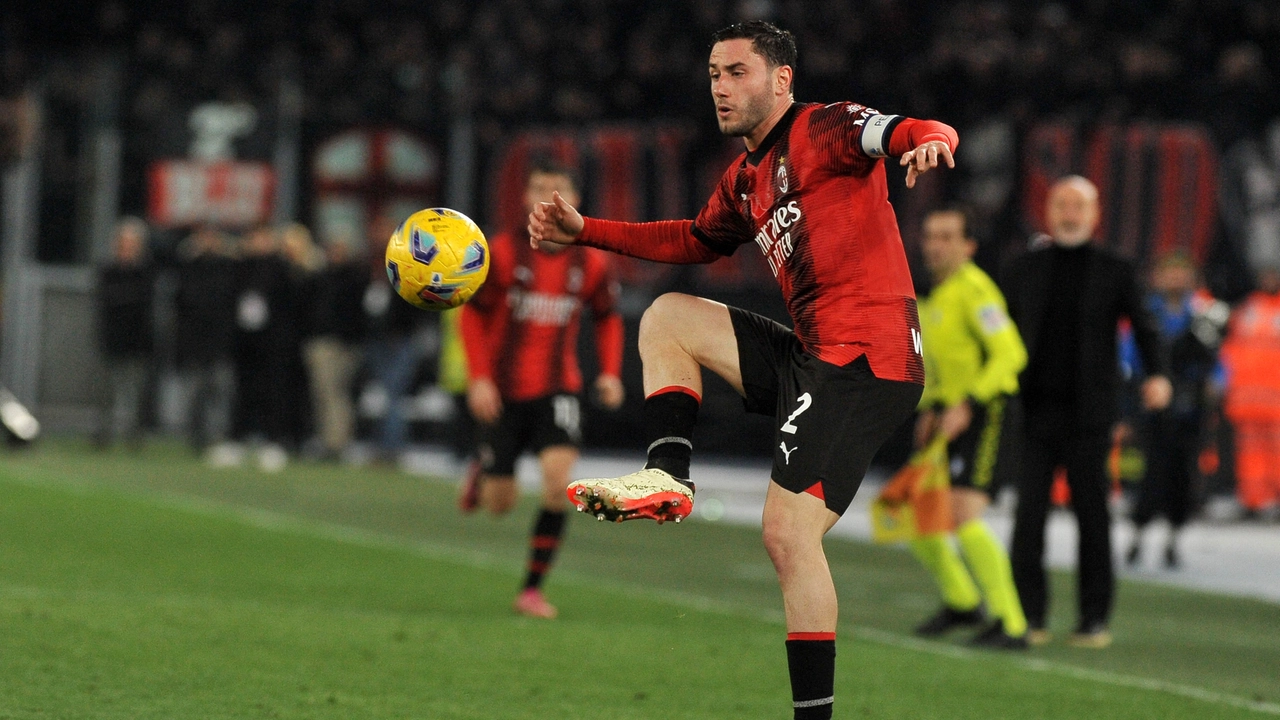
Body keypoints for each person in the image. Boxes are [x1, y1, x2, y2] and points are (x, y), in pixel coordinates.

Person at [529, 21, 955, 720]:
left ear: (781, 79)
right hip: (814, 353)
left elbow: (909, 129)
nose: (720, 89)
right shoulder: (747, 177)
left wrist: (935, 139)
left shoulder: (826, 127)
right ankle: (666, 474)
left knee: (788, 535)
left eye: (736, 72)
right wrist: (588, 230)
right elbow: (695, 240)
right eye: (714, 75)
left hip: (867, 359)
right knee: (667, 316)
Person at [1000, 176, 1172, 649]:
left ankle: (1093, 619)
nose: (1069, 213)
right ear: (1048, 212)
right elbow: (993, 326)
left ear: (1094, 215)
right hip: (1032, 411)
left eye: (1079, 206)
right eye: (1061, 204)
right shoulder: (1023, 268)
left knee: (1093, 517)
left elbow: (1145, 325)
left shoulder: (1116, 268)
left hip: (1091, 415)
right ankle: (1028, 616)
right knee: (1028, 516)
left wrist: (1157, 374)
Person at [459, 162, 626, 619]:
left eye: (558, 189)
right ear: (525, 198)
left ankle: (530, 590)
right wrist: (479, 378)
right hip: (504, 391)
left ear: (574, 200)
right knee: (499, 505)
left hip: (559, 388)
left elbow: (608, 316)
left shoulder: (591, 260)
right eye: (539, 189)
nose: (549, 197)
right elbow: (472, 315)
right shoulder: (502, 252)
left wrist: (610, 372)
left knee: (558, 486)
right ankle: (483, 466)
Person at [909, 208, 1029, 649]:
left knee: (962, 515)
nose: (936, 245)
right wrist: (929, 408)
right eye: (930, 235)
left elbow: (1010, 354)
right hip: (948, 414)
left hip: (986, 411)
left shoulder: (975, 290)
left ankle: (1012, 623)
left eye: (947, 237)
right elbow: (940, 367)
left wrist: (970, 403)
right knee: (918, 513)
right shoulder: (937, 297)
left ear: (969, 247)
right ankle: (962, 601)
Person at [1122, 253, 1229, 567]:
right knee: (1151, 474)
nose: (1175, 280)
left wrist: (1217, 383)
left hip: (1190, 409)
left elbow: (1218, 361)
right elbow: (1129, 354)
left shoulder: (1204, 314)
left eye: (1182, 273)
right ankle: (1138, 535)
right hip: (1155, 407)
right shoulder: (1147, 312)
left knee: (1183, 477)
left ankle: (1173, 538)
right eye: (1169, 273)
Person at [1219, 266, 1280, 517]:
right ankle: (1253, 499)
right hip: (1247, 398)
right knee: (1248, 453)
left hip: (1275, 397)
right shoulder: (1246, 310)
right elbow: (1230, 350)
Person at [174, 225, 239, 458]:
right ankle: (196, 437)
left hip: (220, 342)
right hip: (195, 342)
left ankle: (217, 436)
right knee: (195, 393)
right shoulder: (190, 266)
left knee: (219, 392)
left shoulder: (228, 267)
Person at [304, 230, 368, 461]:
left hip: (342, 344)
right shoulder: (321, 275)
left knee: (335, 393)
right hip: (323, 341)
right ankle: (330, 439)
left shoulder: (354, 277)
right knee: (325, 393)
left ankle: (336, 442)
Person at [94, 217, 155, 450]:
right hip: (111, 340)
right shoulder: (108, 269)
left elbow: (141, 301)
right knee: (105, 391)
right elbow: (107, 300)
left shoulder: (146, 270)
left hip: (138, 341)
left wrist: (124, 299)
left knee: (136, 391)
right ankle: (103, 434)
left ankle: (134, 436)